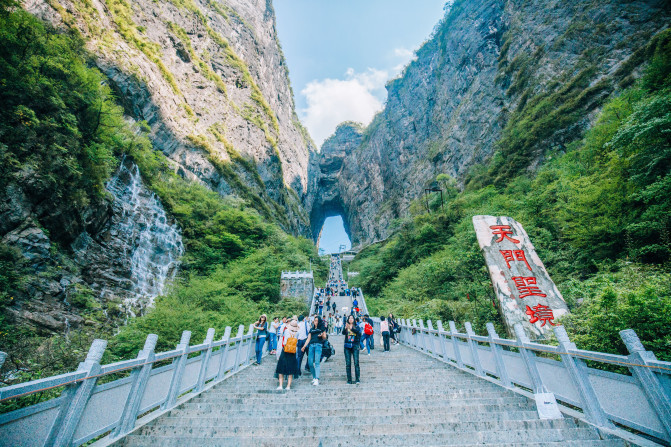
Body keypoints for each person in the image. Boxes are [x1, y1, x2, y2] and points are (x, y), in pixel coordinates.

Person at [275, 317, 299, 390]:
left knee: (281, 368)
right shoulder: (297, 332)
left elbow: (284, 340)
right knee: (290, 370)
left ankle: (280, 385)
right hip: (293, 352)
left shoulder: (286, 331)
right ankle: (288, 386)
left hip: (285, 350)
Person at [302, 316, 327, 386]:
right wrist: (304, 346)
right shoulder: (311, 329)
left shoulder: (321, 328)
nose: (315, 322)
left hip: (318, 345)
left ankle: (317, 379)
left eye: (317, 321)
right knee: (310, 363)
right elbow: (308, 338)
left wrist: (322, 335)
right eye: (315, 320)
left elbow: (325, 337)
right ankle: (314, 377)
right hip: (311, 346)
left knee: (316, 362)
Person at [342, 315, 361, 384]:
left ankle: (357, 379)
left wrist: (351, 328)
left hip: (355, 346)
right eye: (349, 318)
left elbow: (358, 333)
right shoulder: (346, 326)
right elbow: (343, 333)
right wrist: (345, 328)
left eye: (352, 318)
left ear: (354, 320)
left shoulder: (357, 326)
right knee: (348, 363)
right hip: (347, 346)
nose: (350, 319)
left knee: (356, 362)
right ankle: (349, 379)